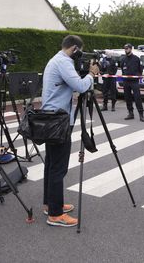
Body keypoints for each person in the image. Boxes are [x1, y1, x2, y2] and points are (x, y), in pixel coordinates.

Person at [41, 35, 99, 227]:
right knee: (58, 167)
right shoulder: (64, 62)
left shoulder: (55, 59)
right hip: (58, 120)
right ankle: (55, 215)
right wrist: (91, 75)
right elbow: (81, 86)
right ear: (75, 49)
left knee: (51, 164)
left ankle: (51, 204)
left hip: (51, 118)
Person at [120, 43, 144, 122]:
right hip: (126, 81)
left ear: (131, 49)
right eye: (125, 49)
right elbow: (122, 69)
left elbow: (140, 69)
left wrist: (137, 75)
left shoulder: (136, 59)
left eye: (127, 48)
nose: (126, 50)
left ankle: (141, 114)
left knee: (137, 98)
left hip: (134, 82)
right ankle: (130, 113)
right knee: (127, 98)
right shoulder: (123, 59)